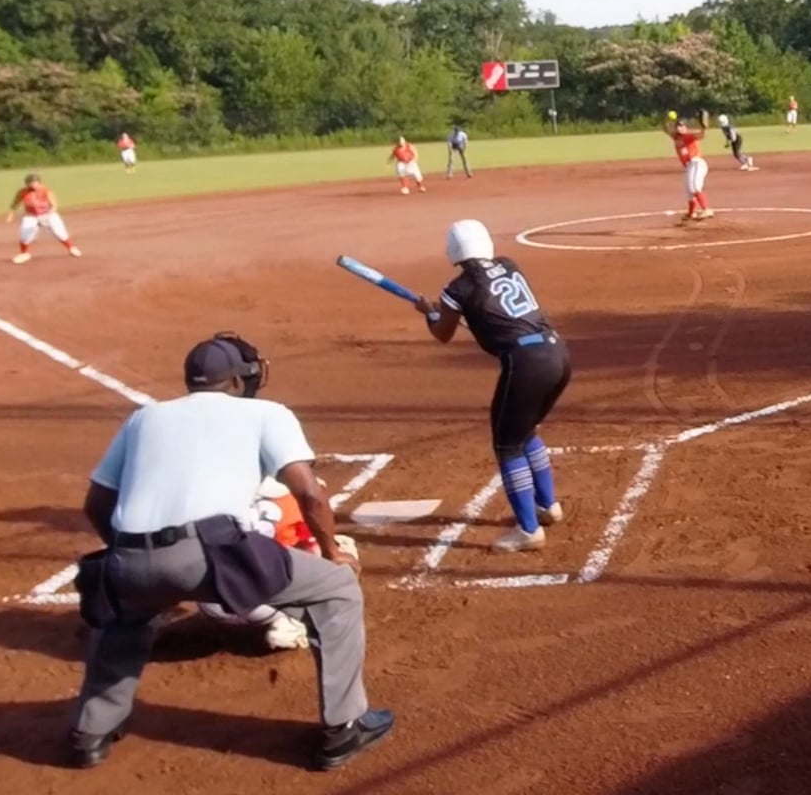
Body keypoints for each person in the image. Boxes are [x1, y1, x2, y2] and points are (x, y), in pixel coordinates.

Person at [66, 333, 394, 771]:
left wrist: (139, 561)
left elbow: (97, 504)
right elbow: (309, 494)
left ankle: (90, 733)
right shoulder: (266, 413)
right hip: (213, 554)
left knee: (125, 616)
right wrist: (332, 552)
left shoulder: (144, 417)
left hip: (127, 554)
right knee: (337, 589)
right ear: (239, 381)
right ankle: (344, 727)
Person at [409, 220, 572, 553]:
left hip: (526, 364)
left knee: (508, 445)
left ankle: (528, 531)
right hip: (557, 354)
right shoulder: (509, 265)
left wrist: (429, 314)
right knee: (524, 431)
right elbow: (492, 308)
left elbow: (443, 333)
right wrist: (443, 312)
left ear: (453, 251)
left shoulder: (458, 289)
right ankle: (548, 505)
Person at [195, 476, 361, 651]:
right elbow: (305, 546)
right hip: (270, 595)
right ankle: (294, 619)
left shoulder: (214, 497)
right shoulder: (292, 498)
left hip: (217, 600)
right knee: (333, 549)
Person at [6, 172, 81, 264]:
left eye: (35, 182)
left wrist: (52, 211)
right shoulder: (22, 192)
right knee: (25, 235)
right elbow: (15, 203)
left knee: (60, 232)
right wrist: (11, 215)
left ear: (39, 182)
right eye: (31, 182)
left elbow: (53, 203)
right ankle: (24, 254)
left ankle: (71, 248)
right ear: (27, 183)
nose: (33, 184)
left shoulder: (45, 190)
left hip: (47, 214)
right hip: (31, 215)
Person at [665, 111, 714, 224]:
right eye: (678, 126)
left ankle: (706, 209)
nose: (680, 128)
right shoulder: (676, 138)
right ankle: (691, 213)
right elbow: (666, 129)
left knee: (695, 187)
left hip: (696, 163)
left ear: (686, 128)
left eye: (682, 126)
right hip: (688, 168)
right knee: (689, 192)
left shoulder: (689, 136)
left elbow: (701, 135)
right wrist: (667, 120)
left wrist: (704, 128)